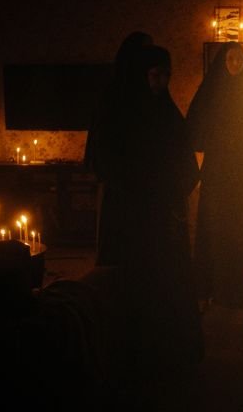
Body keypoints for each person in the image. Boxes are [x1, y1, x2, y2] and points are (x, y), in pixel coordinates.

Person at [90, 44, 202, 386]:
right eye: (155, 75)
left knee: (164, 282)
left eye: (166, 76)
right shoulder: (118, 115)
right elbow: (104, 161)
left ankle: (165, 352)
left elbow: (186, 164)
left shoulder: (167, 113)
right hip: (130, 215)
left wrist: (171, 193)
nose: (161, 83)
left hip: (162, 214)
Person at [188, 42, 243, 309]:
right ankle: (208, 287)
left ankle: (235, 292)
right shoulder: (210, 93)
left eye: (239, 60)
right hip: (217, 172)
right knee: (214, 230)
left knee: (240, 232)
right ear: (222, 63)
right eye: (230, 60)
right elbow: (194, 126)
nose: (235, 64)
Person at [87, 31, 153, 267]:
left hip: (143, 176)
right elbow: (102, 136)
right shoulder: (114, 91)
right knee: (117, 233)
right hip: (118, 176)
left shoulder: (150, 90)